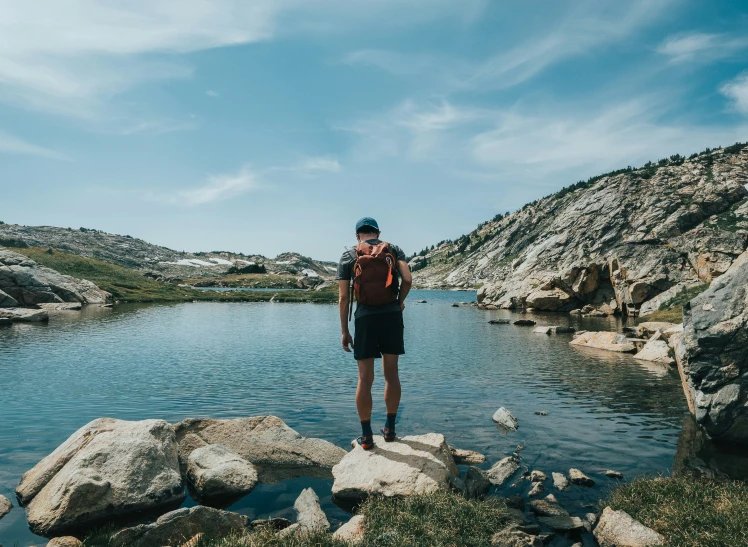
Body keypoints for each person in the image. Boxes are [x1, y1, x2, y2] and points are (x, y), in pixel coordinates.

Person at [337, 217, 412, 450]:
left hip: (365, 318)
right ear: (378, 232)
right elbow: (408, 280)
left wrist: (344, 331)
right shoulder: (393, 249)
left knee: (364, 379)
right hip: (391, 316)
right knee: (391, 374)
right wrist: (399, 303)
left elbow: (343, 298)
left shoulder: (349, 255)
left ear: (357, 235)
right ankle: (390, 430)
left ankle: (367, 437)